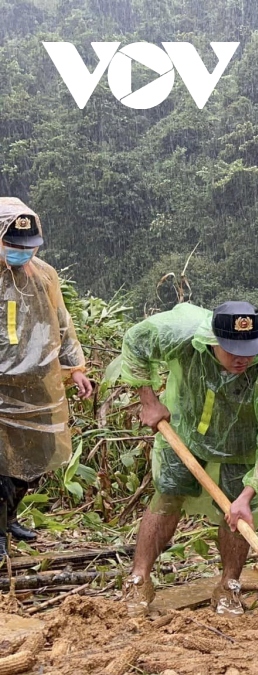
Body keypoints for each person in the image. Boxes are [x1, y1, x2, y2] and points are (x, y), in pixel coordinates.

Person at [120, 301, 258, 616]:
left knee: (237, 517)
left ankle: (229, 587)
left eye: (249, 350)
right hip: (186, 432)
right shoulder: (183, 334)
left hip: (242, 446)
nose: (242, 358)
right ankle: (138, 579)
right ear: (212, 340)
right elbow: (137, 341)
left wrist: (249, 493)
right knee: (167, 497)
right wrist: (149, 400)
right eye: (231, 350)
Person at [0, 198, 92, 559]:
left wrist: (77, 367)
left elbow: (62, 323)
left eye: (29, 247)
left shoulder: (44, 275)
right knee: (0, 464)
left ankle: (9, 518)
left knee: (36, 457)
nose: (22, 254)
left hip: (38, 382)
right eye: (13, 247)